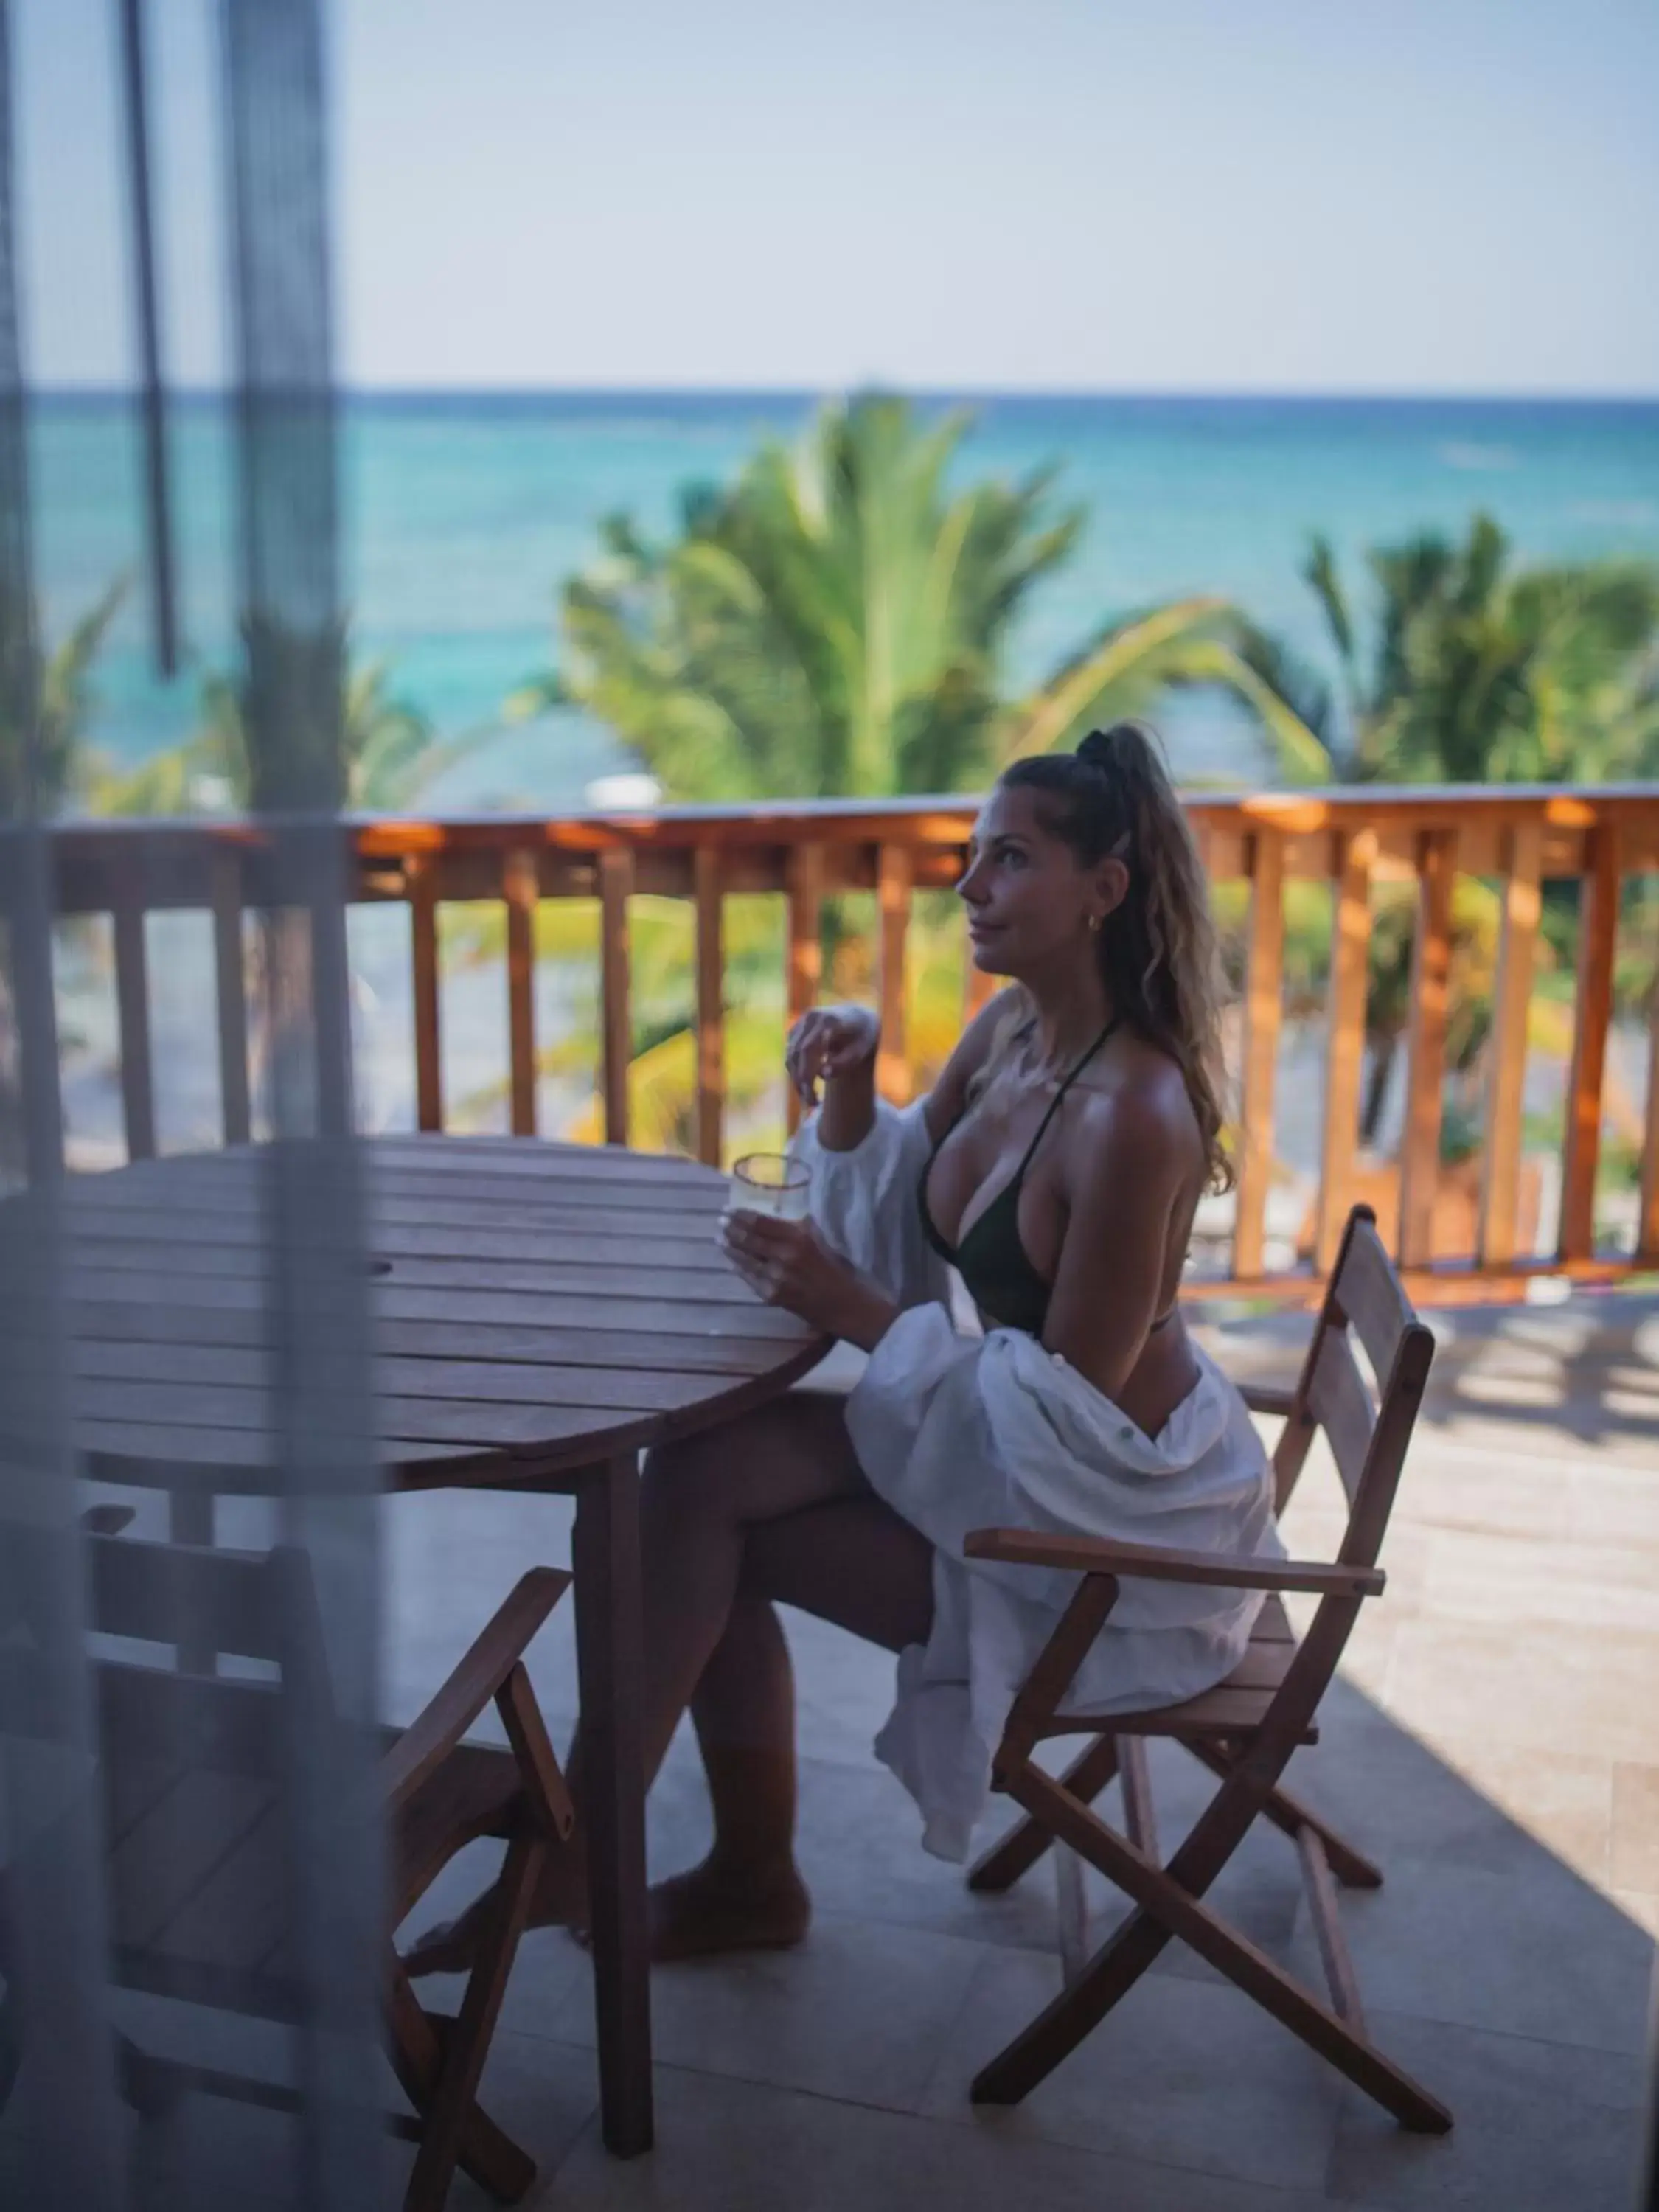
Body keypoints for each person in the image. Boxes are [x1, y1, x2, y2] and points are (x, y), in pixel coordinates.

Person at [408, 721, 1279, 1972]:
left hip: (1110, 1544)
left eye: (1010, 861)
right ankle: (700, 1872)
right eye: (971, 855)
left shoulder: (1135, 1116)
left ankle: (623, 1866)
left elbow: (1069, 1417)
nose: (970, 888)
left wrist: (855, 1310)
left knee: (709, 1522)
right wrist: (860, 1078)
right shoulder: (1014, 1035)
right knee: (699, 1471)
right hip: (1031, 1463)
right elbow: (910, 1188)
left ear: (1105, 890)